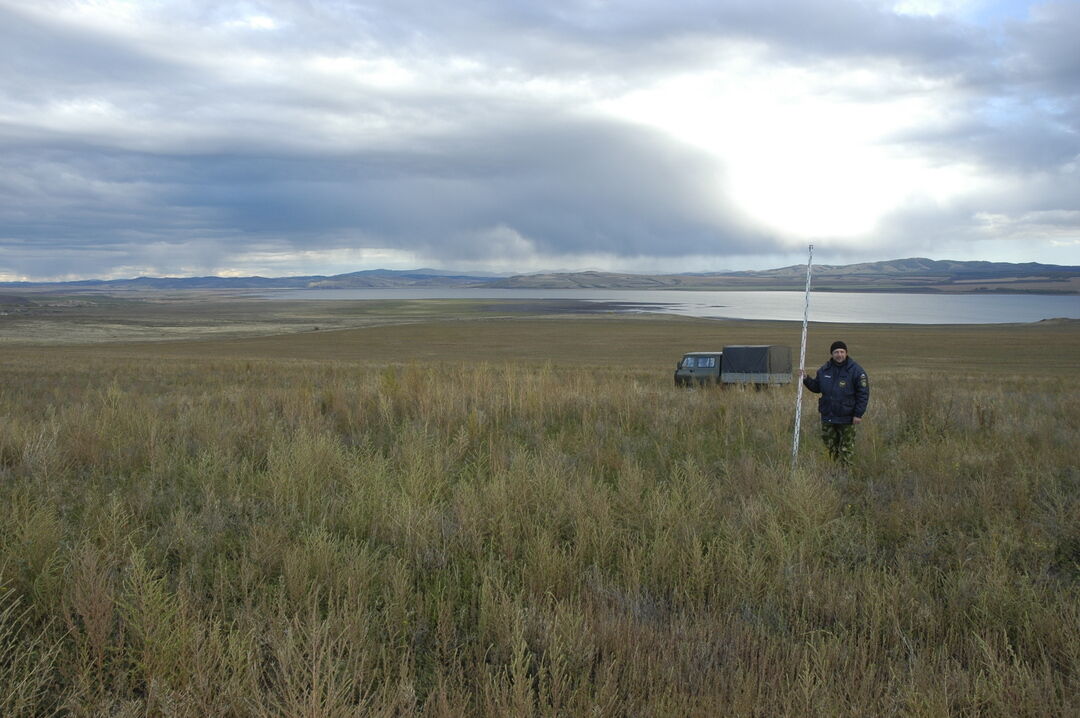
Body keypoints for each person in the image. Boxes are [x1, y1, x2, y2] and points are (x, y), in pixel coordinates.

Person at [800, 341, 869, 466]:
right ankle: (831, 470)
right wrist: (806, 379)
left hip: (847, 417)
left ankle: (844, 474)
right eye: (836, 352)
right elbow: (817, 387)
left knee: (846, 448)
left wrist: (858, 414)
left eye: (842, 352)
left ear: (846, 353)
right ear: (832, 354)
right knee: (830, 447)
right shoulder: (824, 370)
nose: (839, 355)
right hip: (828, 416)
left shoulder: (856, 371)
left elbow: (863, 394)